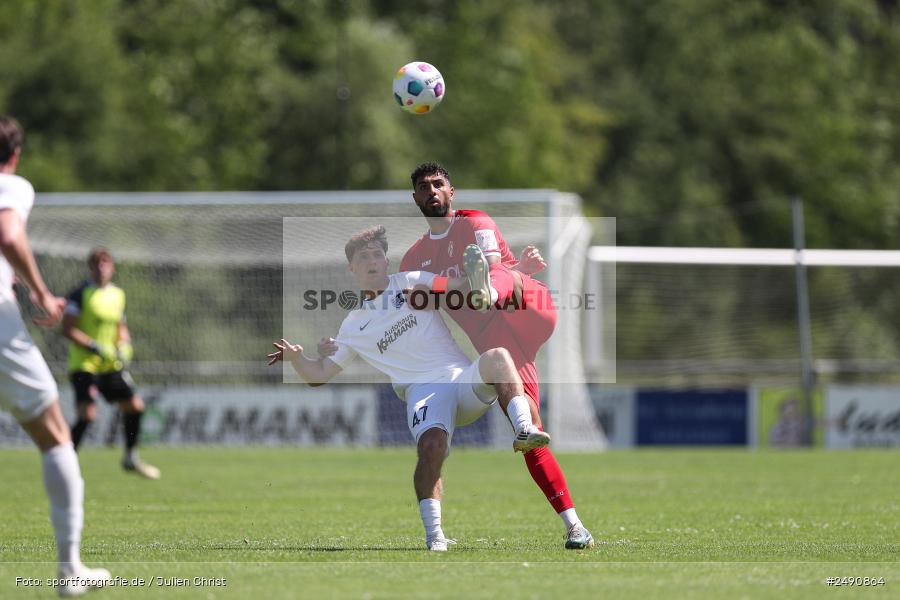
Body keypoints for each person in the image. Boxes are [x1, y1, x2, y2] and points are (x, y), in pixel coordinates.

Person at [323, 162, 594, 549]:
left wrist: (518, 271)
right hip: (496, 344)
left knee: (501, 275)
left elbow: (498, 267)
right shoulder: (414, 261)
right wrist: (345, 343)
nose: (432, 190)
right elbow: (408, 316)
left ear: (452, 191)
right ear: (415, 198)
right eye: (423, 186)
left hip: (522, 307)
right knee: (531, 430)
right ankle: (575, 527)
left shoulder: (474, 222)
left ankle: (488, 292)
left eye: (439, 183)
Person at [269, 225, 550, 551]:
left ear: (387, 262)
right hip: (424, 392)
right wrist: (298, 358)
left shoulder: (413, 281)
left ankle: (523, 429)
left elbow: (468, 287)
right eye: (364, 257)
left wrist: (518, 272)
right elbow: (318, 374)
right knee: (432, 448)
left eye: (378, 254)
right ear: (353, 269)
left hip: (461, 381)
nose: (373, 260)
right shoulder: (353, 325)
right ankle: (435, 538)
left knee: (499, 357)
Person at [0, 115, 111, 596]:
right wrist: (43, 293)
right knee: (55, 434)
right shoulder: (12, 184)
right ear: (15, 154)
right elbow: (8, 234)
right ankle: (70, 570)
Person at [62, 248, 160, 480]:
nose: (101, 267)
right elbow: (67, 329)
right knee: (87, 415)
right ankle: (65, 462)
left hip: (110, 365)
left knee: (135, 406)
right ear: (90, 267)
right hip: (85, 364)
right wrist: (94, 345)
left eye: (105, 262)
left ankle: (130, 457)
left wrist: (125, 344)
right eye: (96, 263)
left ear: (112, 267)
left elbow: (121, 327)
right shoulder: (79, 294)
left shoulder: (117, 294)